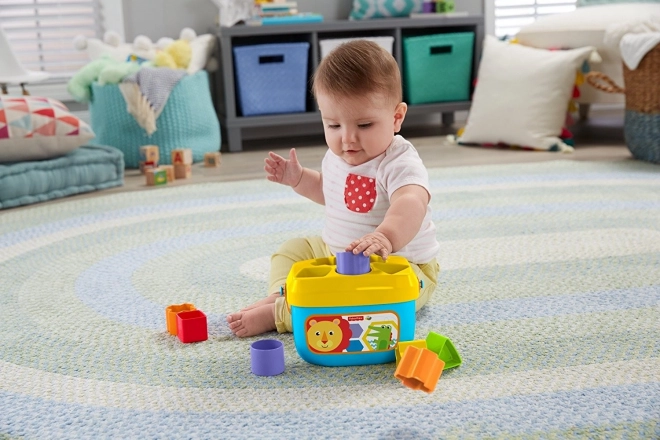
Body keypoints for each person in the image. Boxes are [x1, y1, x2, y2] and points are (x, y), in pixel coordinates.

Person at [226, 40, 440, 337]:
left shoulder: (399, 162)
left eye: (364, 125)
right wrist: (299, 179)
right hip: (335, 253)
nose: (348, 139)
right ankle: (283, 292)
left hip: (399, 266)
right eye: (334, 126)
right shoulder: (337, 156)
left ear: (396, 117)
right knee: (292, 250)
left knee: (363, 302)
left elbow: (411, 203)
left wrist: (385, 237)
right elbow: (330, 193)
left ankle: (283, 314)